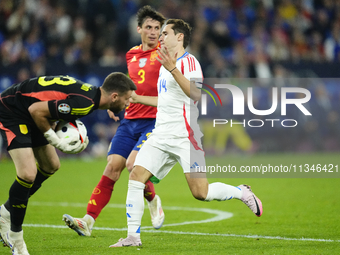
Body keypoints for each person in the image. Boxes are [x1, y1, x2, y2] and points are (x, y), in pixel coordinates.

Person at [110, 19, 263, 248]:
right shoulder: (164, 64)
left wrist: (172, 68)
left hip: (185, 137)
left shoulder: (189, 62)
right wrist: (137, 98)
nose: (160, 37)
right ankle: (133, 237)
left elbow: (195, 93)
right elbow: (166, 100)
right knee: (135, 176)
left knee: (201, 193)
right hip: (161, 135)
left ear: (179, 37)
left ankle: (241, 192)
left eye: (165, 33)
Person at [0, 72, 136, 255]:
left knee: (51, 165)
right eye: (126, 99)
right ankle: (16, 238)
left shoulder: (91, 95)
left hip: (30, 109)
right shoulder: (85, 104)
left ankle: (5, 213)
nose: (128, 104)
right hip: (13, 110)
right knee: (27, 173)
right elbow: (36, 110)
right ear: (114, 97)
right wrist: (57, 142)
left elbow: (52, 100)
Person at [62, 5, 166, 236]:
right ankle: (88, 221)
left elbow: (169, 92)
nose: (153, 32)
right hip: (129, 120)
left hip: (153, 121)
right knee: (111, 168)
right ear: (139, 29)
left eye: (157, 28)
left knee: (132, 165)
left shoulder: (166, 54)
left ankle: (152, 199)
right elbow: (128, 86)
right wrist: (114, 103)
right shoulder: (131, 54)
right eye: (148, 27)